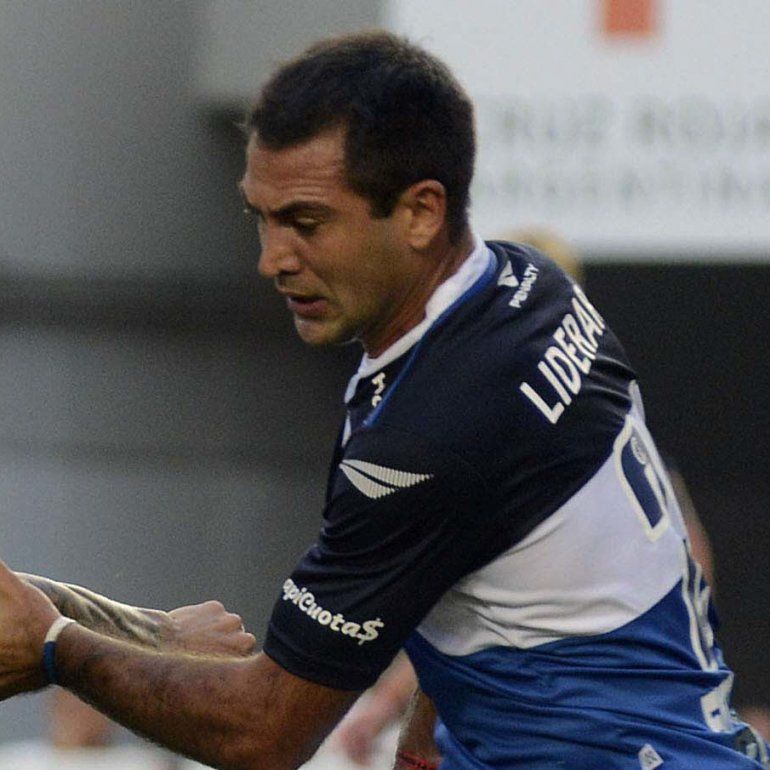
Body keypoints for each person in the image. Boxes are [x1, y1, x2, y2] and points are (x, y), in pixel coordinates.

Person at [0, 30, 767, 770]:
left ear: (422, 212)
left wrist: (57, 648)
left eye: (306, 223)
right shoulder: (530, 288)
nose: (272, 260)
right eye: (261, 218)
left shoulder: (430, 431)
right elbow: (474, 573)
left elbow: (262, 734)